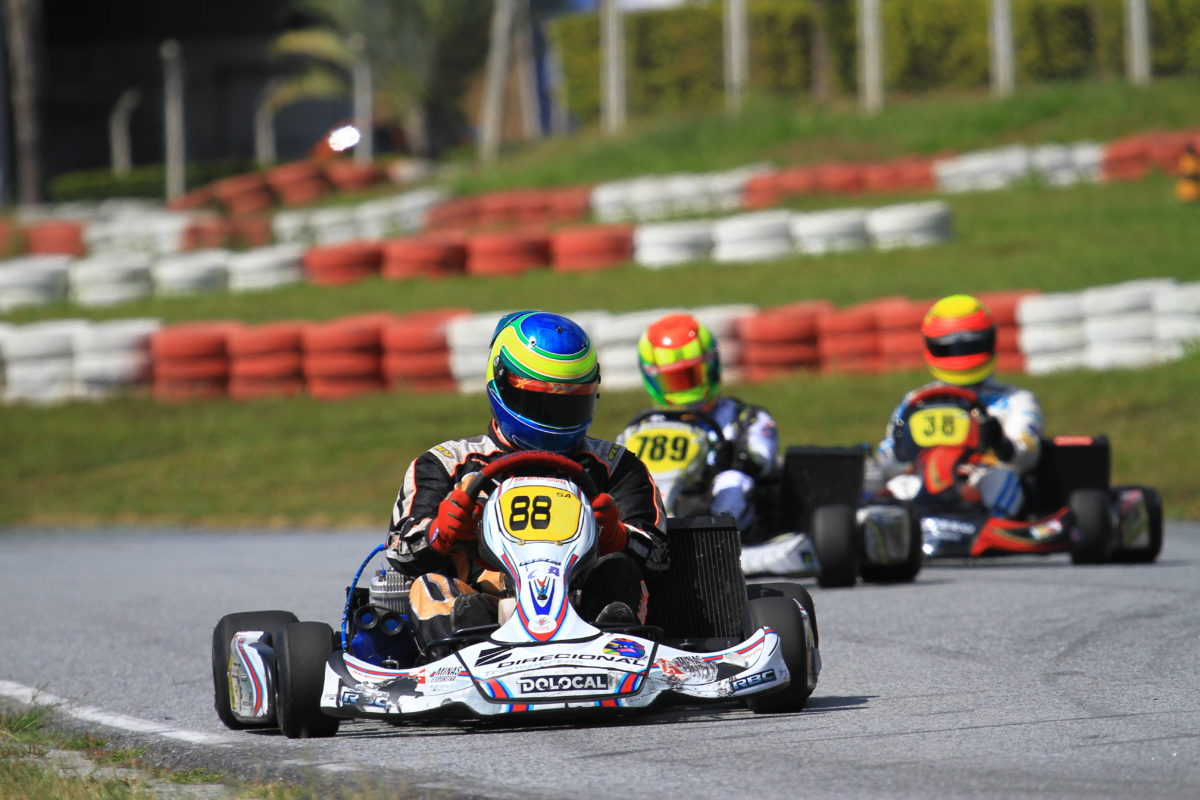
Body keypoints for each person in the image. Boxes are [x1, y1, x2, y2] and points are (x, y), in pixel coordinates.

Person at [384, 310, 667, 655]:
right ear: (502, 384)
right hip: (482, 605)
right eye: (540, 401)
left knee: (620, 569)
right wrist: (438, 533)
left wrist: (616, 537)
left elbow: (660, 554)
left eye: (569, 403)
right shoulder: (446, 464)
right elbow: (400, 549)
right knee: (429, 585)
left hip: (583, 607)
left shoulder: (616, 466)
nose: (555, 414)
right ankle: (464, 653)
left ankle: (618, 648)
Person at [617, 313, 806, 575]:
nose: (684, 388)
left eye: (690, 377)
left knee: (732, 480)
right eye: (675, 380)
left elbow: (761, 456)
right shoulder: (640, 428)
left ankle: (718, 545)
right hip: (667, 499)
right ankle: (642, 540)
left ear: (711, 368)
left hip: (726, 506)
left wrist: (733, 457)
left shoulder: (743, 417)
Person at [873, 294, 1044, 517]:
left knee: (1001, 477)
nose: (961, 355)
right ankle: (896, 531)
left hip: (981, 477)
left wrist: (999, 442)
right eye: (950, 349)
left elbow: (1027, 457)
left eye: (971, 346)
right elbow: (887, 460)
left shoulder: (1016, 401)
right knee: (901, 485)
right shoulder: (914, 402)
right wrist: (899, 446)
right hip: (929, 481)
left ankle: (989, 524)